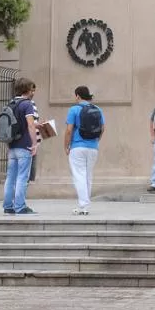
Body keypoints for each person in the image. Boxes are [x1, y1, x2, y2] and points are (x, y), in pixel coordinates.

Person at [64, 85, 104, 215]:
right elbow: (103, 128)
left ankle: (83, 205)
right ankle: (84, 206)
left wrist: (66, 145)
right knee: (88, 176)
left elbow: (69, 130)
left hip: (77, 146)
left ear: (77, 96)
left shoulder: (74, 109)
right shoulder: (97, 109)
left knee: (79, 175)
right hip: (93, 147)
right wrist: (97, 140)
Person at [2, 77, 38, 215]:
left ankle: (8, 206)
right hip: (24, 146)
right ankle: (20, 206)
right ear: (27, 90)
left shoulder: (11, 103)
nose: (33, 92)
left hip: (12, 145)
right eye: (32, 89)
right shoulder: (27, 104)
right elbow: (30, 124)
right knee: (22, 177)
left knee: (10, 177)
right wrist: (34, 143)